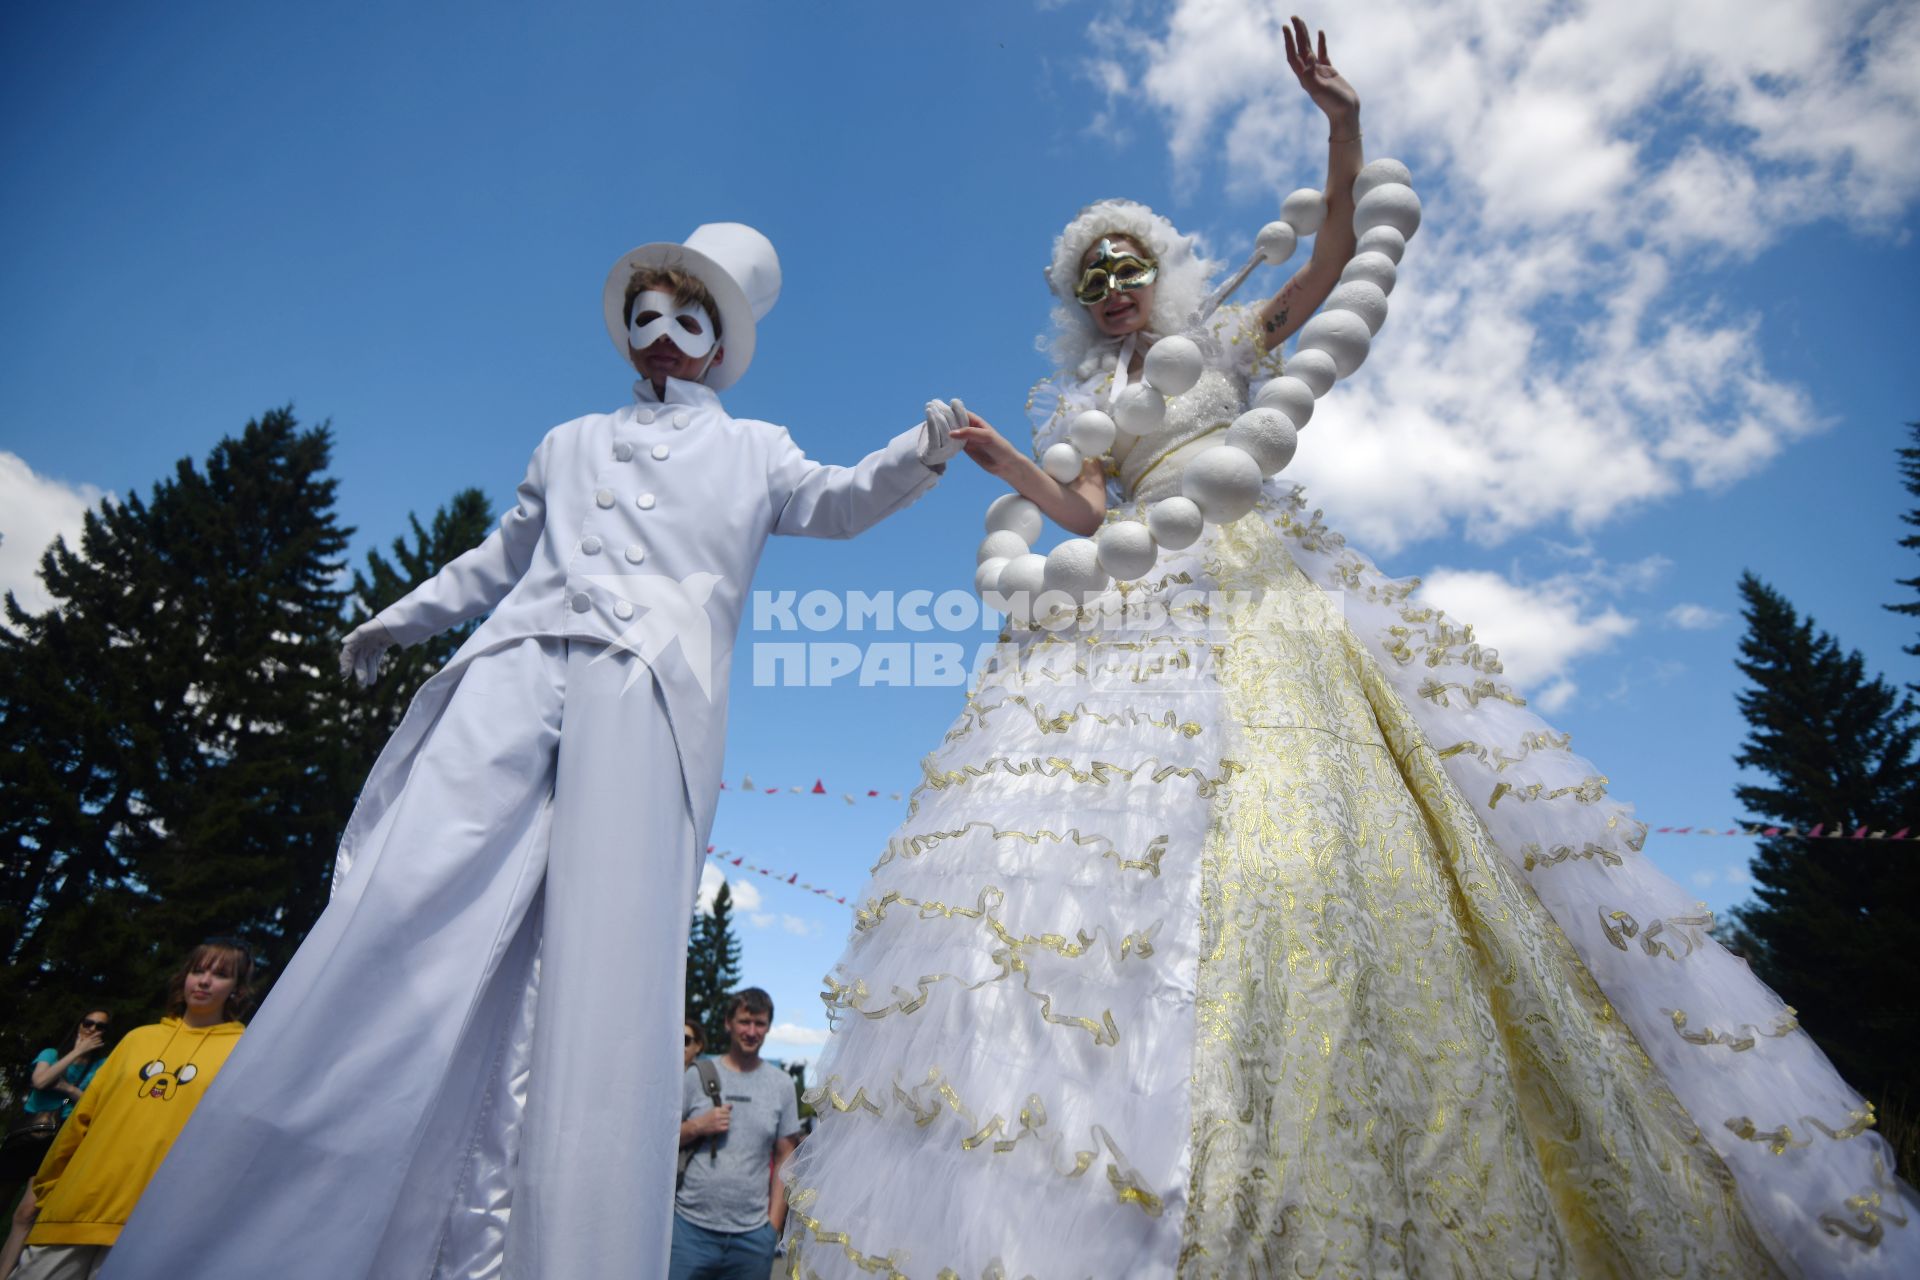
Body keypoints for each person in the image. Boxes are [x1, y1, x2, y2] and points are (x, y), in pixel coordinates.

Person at [781, 19, 1917, 1280]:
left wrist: (1342, 125)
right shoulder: (1093, 415)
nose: (1111, 287)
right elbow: (1089, 520)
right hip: (1138, 608)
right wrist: (999, 460)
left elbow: (1327, 262)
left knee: (1341, 817)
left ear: (1159, 267)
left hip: (1270, 591)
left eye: (1126, 266)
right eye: (1089, 279)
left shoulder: (1220, 341)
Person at [105, 224, 961, 1280]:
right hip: (521, 659)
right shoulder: (566, 442)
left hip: (647, 682)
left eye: (687, 319)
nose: (660, 335)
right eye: (646, 315)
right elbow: (498, 556)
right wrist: (398, 619)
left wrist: (915, 453)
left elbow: (836, 500)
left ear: (720, 342)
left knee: (605, 948)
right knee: (418, 877)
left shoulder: (756, 449)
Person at [8, 944, 248, 1280]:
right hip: (74, 1211)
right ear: (184, 977)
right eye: (198, 971)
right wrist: (50, 1188)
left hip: (150, 1228)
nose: (205, 981)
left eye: (221, 974)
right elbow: (81, 1119)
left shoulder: (243, 1050)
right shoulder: (138, 1040)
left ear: (236, 989)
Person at [672, 989, 801, 1280]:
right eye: (745, 1022)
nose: (752, 1031)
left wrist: (772, 1226)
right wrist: (697, 1127)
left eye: (760, 1024)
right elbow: (660, 1140)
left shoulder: (781, 1085)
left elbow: (786, 1157)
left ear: (768, 1027)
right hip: (689, 1231)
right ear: (728, 1023)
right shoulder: (697, 1075)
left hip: (752, 1238)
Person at [0, 1013, 112, 1278]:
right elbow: (40, 1081)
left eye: (101, 1026)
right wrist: (77, 1053)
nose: (92, 1029)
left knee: (26, 1215)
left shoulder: (102, 1065)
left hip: (57, 1141)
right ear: (79, 1025)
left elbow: (92, 1102)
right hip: (26, 1137)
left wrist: (62, 1085)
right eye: (88, 1023)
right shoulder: (52, 1052)